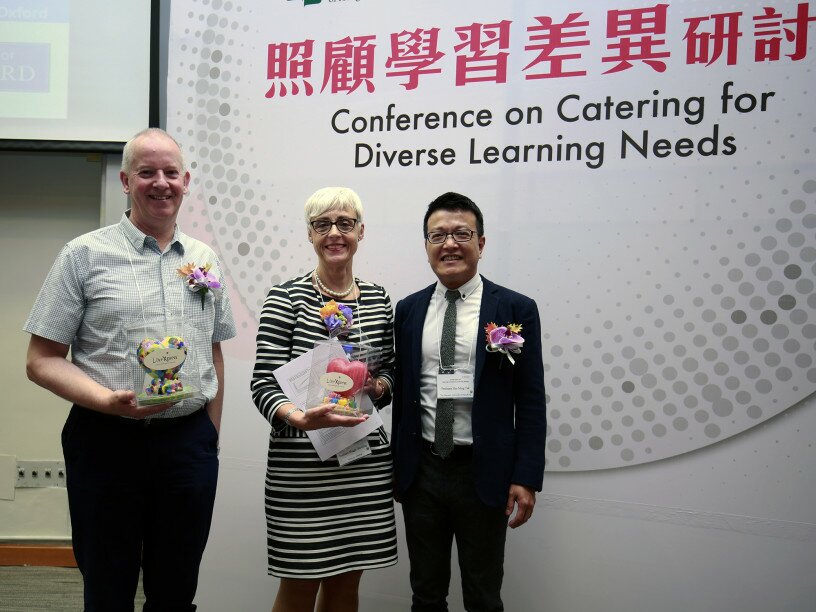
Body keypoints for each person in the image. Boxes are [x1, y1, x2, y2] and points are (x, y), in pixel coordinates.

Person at [24, 128, 236, 611]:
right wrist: (105, 401)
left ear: (186, 181)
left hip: (187, 447)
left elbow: (214, 352)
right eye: (146, 173)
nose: (160, 183)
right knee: (107, 587)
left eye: (170, 173)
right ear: (125, 180)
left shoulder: (204, 258)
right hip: (106, 443)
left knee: (176, 588)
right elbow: (41, 360)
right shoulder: (83, 255)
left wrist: (209, 435)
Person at [391, 191, 547, 611]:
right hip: (422, 470)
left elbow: (530, 401)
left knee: (482, 594)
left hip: (484, 474)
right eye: (438, 235)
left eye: (462, 233)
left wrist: (527, 476)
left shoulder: (515, 308)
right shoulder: (407, 310)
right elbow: (404, 393)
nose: (450, 244)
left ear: (481, 242)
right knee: (425, 592)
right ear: (426, 246)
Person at [251, 187, 398, 612]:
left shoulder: (378, 299)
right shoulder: (286, 298)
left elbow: (390, 371)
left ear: (360, 231)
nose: (334, 233)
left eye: (344, 223)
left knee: (346, 587)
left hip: (362, 464)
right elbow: (262, 384)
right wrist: (298, 417)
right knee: (298, 588)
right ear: (310, 235)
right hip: (302, 470)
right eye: (322, 224)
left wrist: (378, 386)